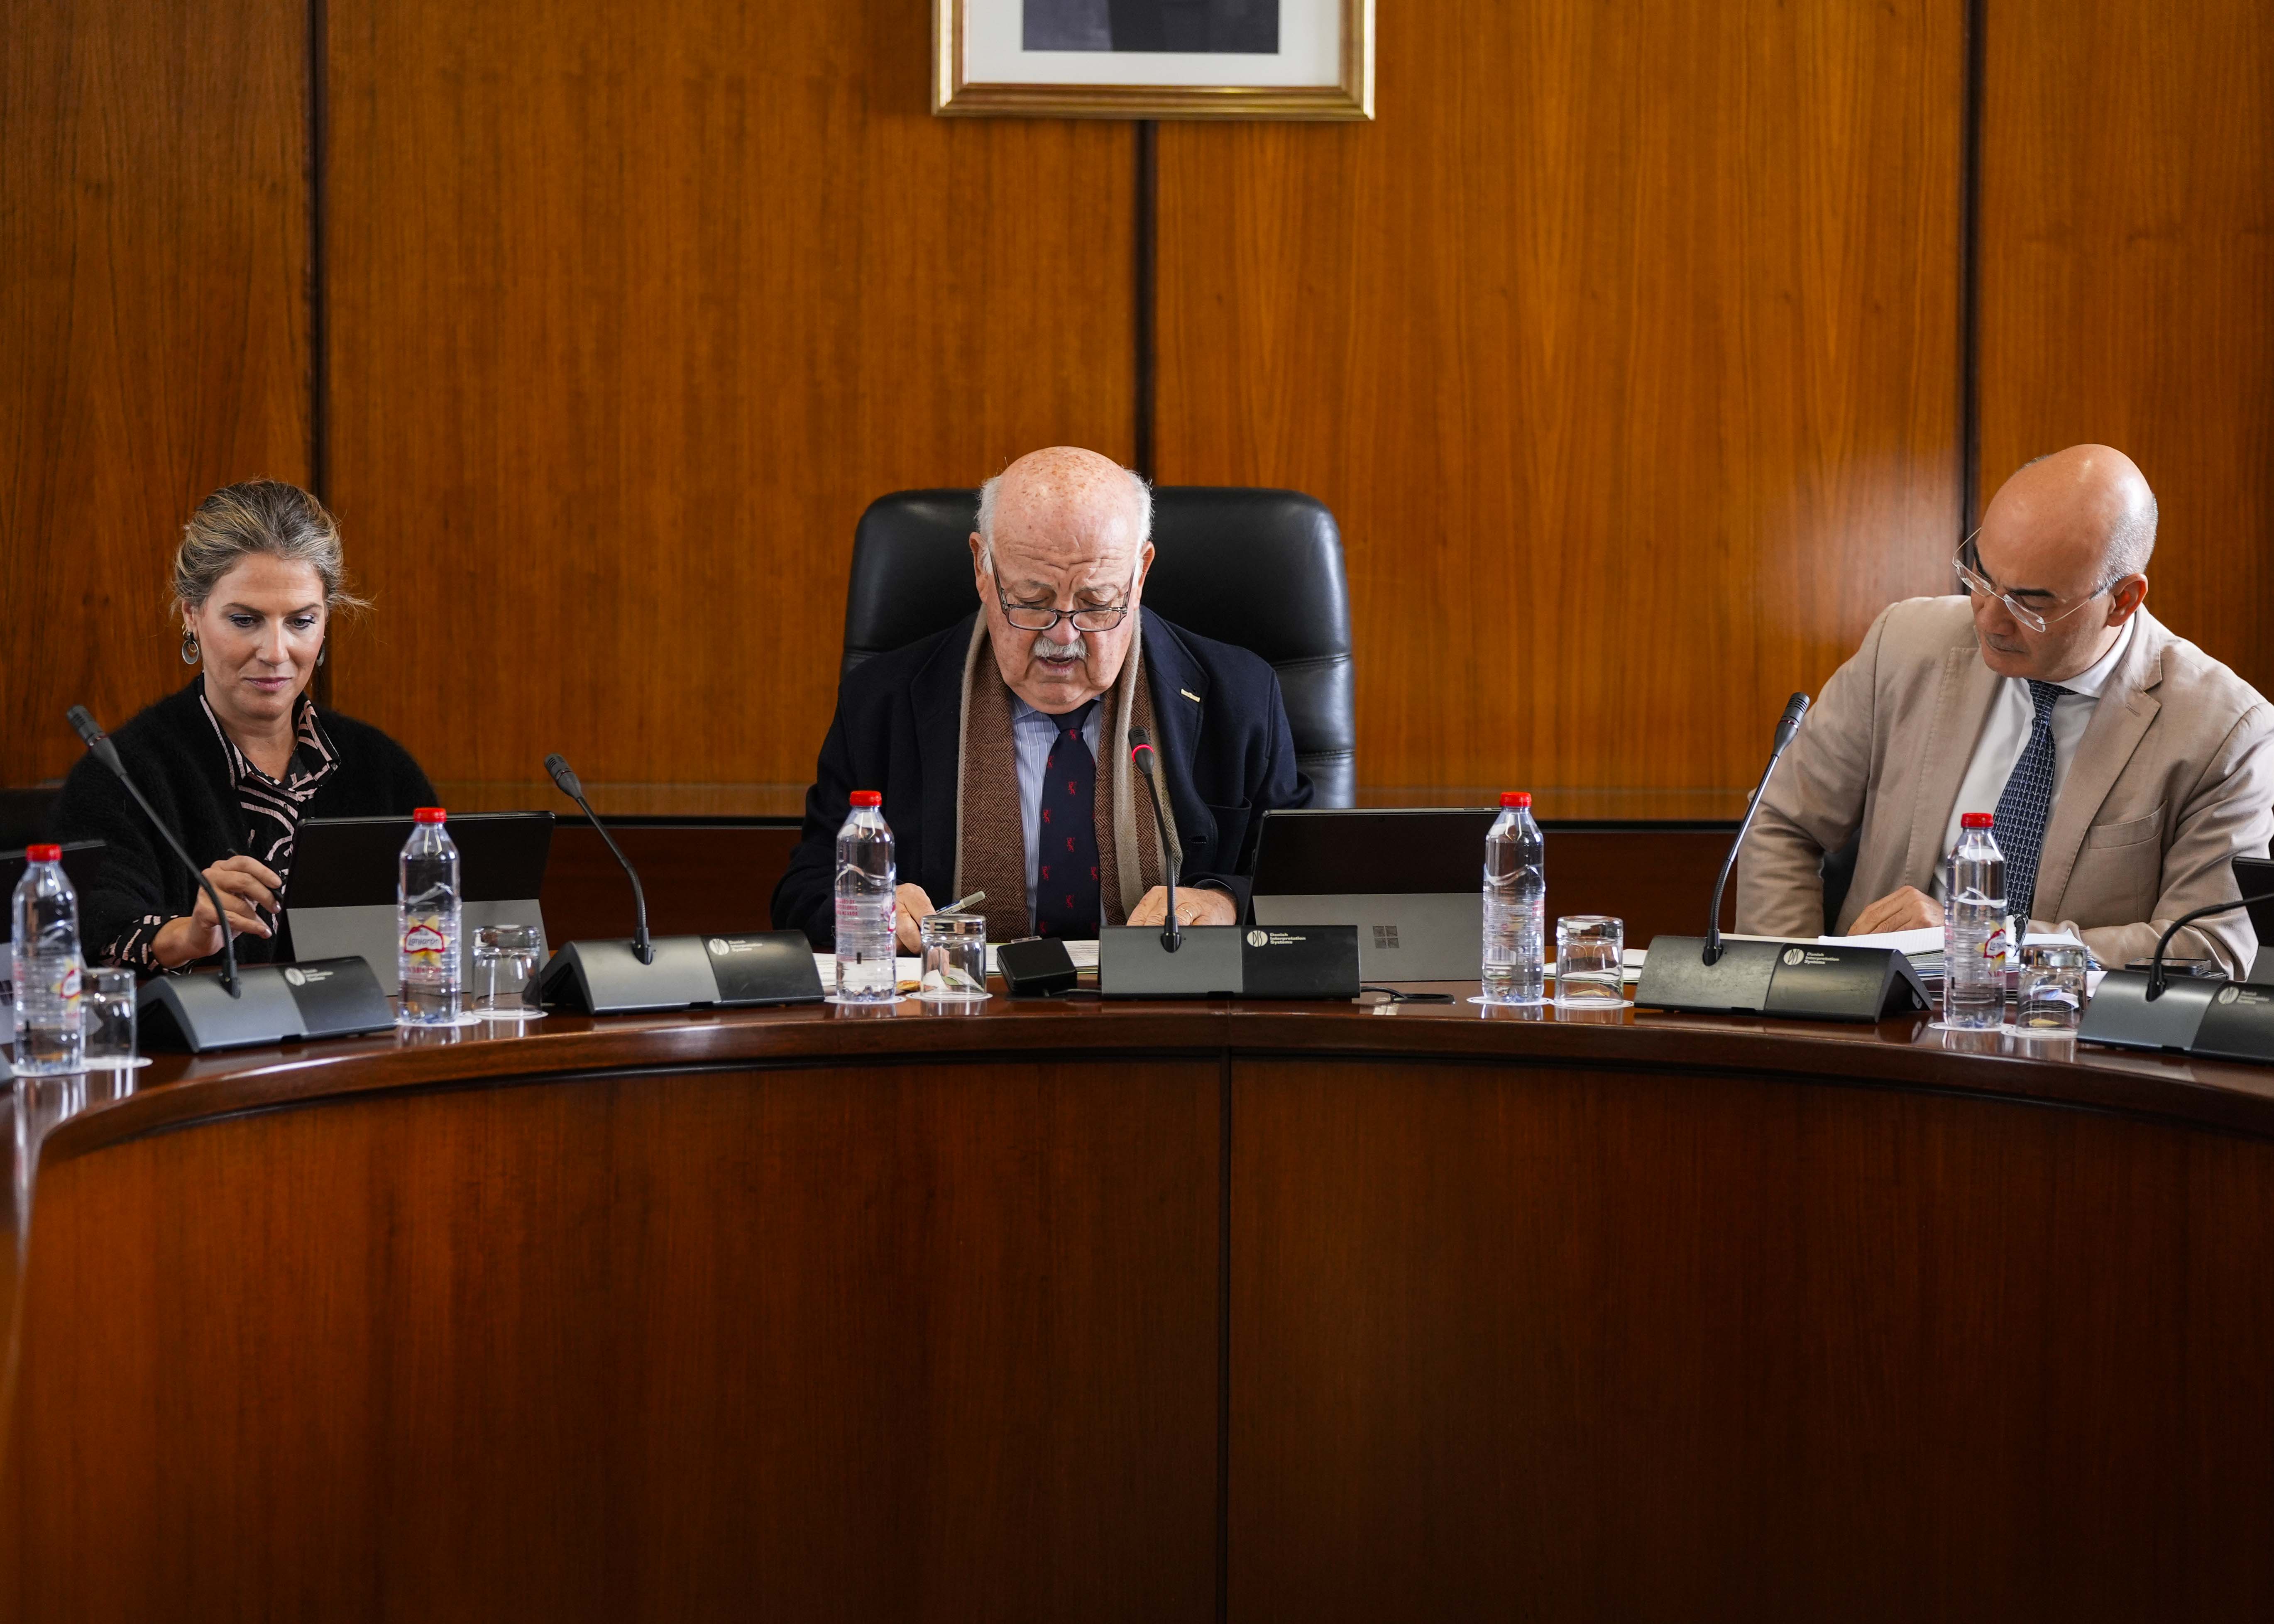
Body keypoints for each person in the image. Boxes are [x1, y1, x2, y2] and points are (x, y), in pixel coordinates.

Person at [1736, 445, 2274, 975]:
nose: (1990, 619)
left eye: (2028, 603)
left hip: (2072, 1045)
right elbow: (1783, 819)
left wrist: (1984, 940)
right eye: (1980, 578)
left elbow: (2207, 949)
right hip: (1881, 1027)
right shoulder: (1903, 644)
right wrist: (1794, 986)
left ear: (2123, 600)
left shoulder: (2224, 732)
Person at [773, 446, 1312, 949]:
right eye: (1032, 602)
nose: (1063, 637)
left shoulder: (1237, 695)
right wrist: (871, 910)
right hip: (962, 1014)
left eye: (1096, 603)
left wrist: (1227, 903)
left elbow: (1307, 886)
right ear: (983, 570)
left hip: (1165, 1020)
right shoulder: (882, 701)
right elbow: (805, 890)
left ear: (1139, 573)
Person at [48, 480, 436, 972]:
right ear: (192, 613)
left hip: (366, 1044)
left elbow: (441, 930)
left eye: (300, 621)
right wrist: (186, 935)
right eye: (246, 620)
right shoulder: (120, 774)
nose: (276, 653)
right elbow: (90, 929)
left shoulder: (383, 769)